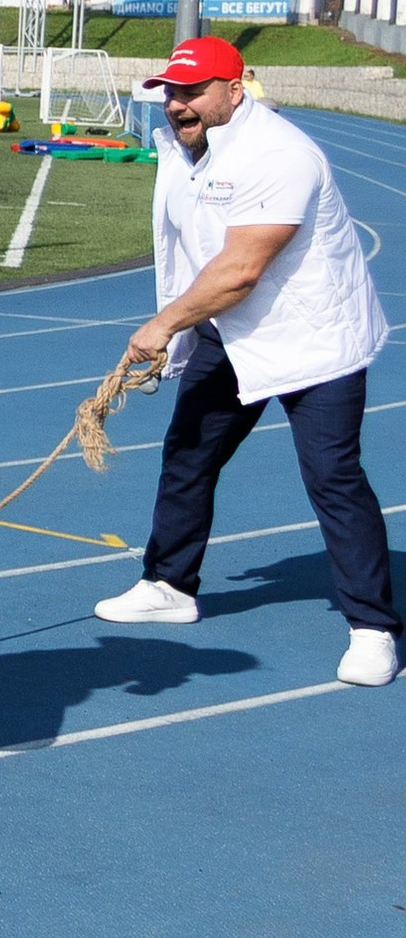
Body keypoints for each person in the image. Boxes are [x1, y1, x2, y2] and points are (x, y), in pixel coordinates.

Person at [94, 37, 398, 687]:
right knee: (189, 453)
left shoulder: (280, 154)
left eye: (193, 91)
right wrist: (185, 322)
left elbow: (240, 269)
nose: (178, 105)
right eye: (171, 92)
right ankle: (170, 584)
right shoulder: (182, 148)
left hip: (312, 338)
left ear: (236, 89)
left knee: (333, 476)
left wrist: (164, 324)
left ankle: (373, 629)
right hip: (228, 331)